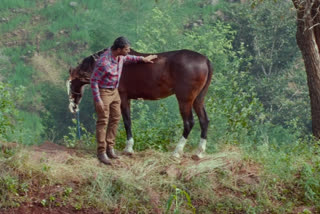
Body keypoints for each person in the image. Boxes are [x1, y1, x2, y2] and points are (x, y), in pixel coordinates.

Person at [90, 36, 157, 165]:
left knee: (115, 118)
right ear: (119, 49)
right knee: (103, 120)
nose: (129, 51)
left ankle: (110, 148)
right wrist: (98, 100)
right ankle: (101, 152)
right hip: (103, 92)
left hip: (114, 92)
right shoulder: (103, 62)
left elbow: (129, 58)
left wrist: (143, 59)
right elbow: (93, 81)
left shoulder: (120, 56)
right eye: (126, 49)